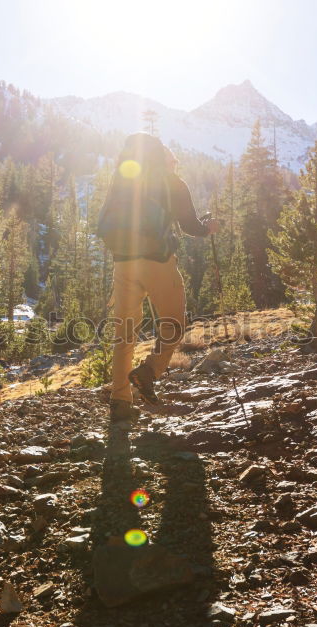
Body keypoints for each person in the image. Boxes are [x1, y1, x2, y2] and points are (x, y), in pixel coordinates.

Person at [98, 133, 220, 426]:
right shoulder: (172, 182)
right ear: (163, 157)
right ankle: (149, 372)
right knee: (174, 323)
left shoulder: (122, 179)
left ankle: (120, 402)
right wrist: (209, 228)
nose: (174, 159)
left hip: (123, 263)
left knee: (125, 334)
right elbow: (190, 225)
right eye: (170, 155)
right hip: (157, 263)